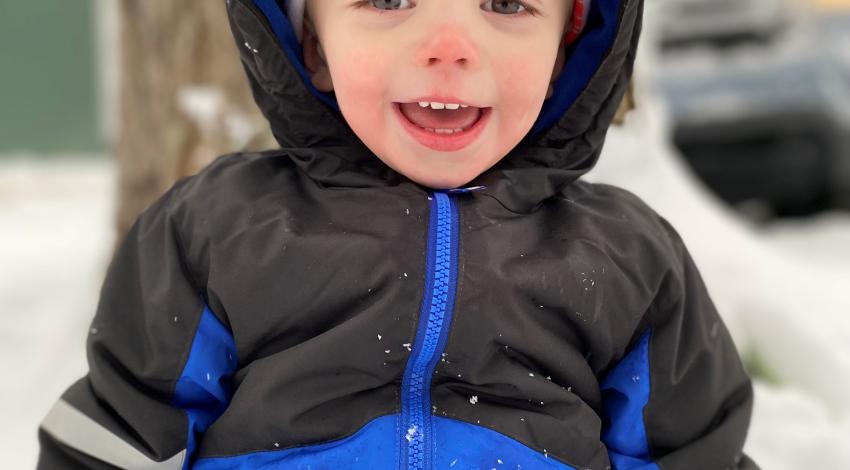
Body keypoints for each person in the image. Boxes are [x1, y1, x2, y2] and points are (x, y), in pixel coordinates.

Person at [38, 0, 758, 468]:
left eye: (506, 3)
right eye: (388, 0)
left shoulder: (623, 257)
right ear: (311, 42)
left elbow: (691, 450)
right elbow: (116, 438)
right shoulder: (219, 231)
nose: (448, 46)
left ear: (566, 53)